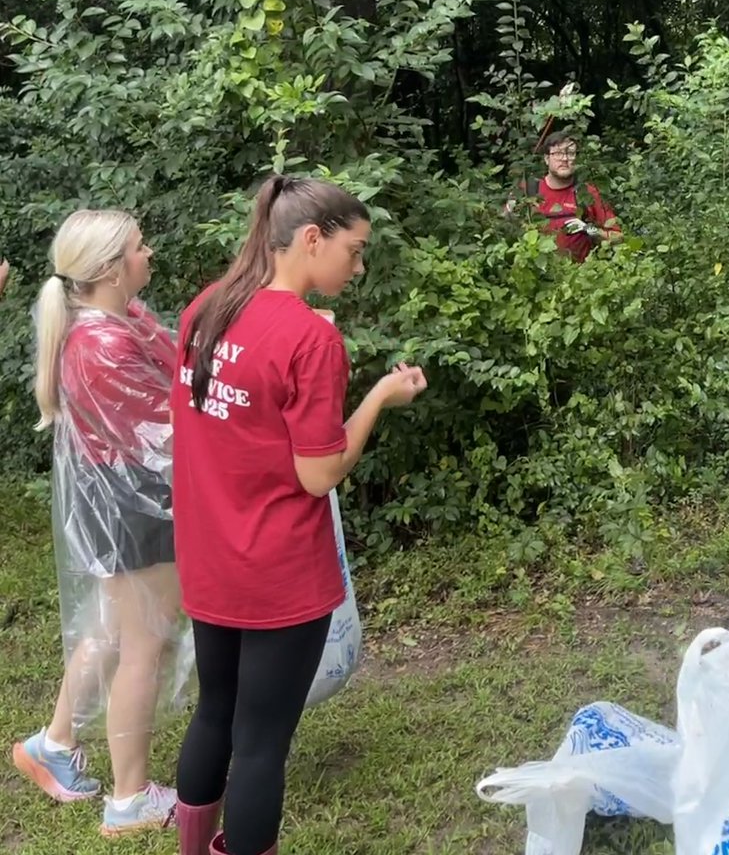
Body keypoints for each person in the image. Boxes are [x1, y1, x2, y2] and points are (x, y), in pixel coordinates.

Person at [170, 175, 427, 855]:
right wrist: (377, 397)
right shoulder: (312, 340)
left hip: (210, 558)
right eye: (355, 248)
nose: (359, 266)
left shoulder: (206, 309)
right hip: (278, 570)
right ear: (312, 239)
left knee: (215, 711)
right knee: (260, 745)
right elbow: (319, 474)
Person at [11, 210, 182, 835]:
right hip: (136, 503)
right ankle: (130, 799)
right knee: (144, 645)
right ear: (111, 269)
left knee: (114, 630)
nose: (150, 253)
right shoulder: (103, 344)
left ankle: (53, 746)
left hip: (121, 499)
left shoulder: (115, 322)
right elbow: (173, 422)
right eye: (139, 247)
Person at [504, 131, 621, 261]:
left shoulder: (587, 193)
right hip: (538, 275)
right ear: (546, 159)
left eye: (570, 154)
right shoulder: (529, 190)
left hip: (580, 275)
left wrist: (588, 229)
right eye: (558, 154)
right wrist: (509, 213)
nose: (565, 159)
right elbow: (504, 230)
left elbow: (618, 237)